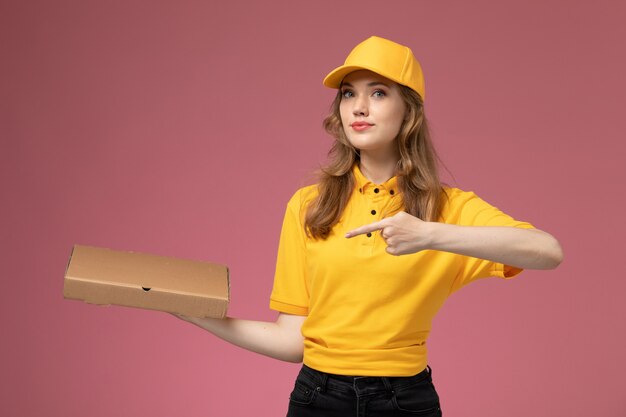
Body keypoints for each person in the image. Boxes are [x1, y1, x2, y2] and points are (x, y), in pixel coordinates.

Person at [175, 36, 563, 417]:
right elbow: (293, 341)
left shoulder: (447, 208)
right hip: (317, 397)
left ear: (408, 111)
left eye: (378, 93)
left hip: (405, 401)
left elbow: (546, 251)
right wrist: (187, 310)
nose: (359, 107)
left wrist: (430, 234)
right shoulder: (309, 206)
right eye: (348, 94)